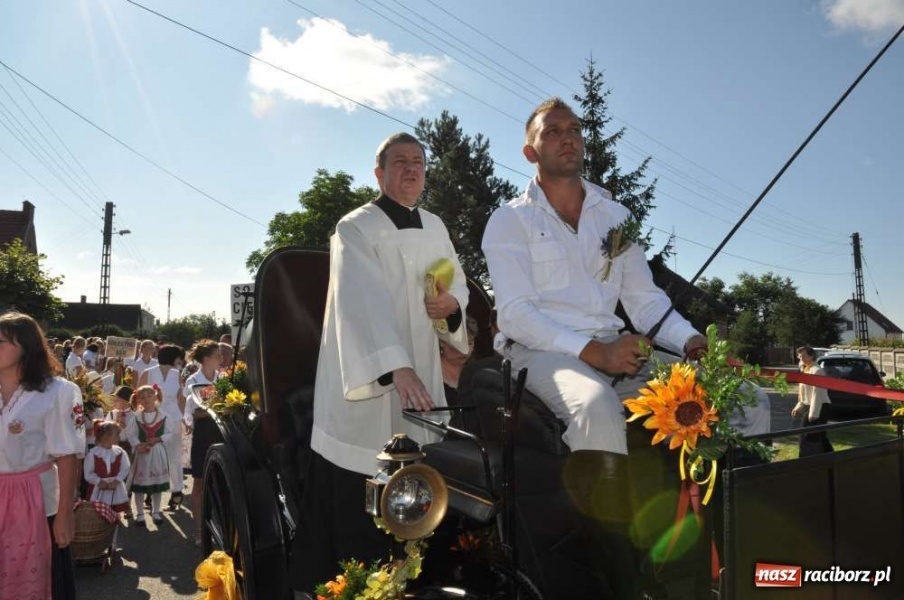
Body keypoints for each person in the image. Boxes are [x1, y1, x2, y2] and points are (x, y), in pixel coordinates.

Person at [481, 98, 771, 456]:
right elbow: (516, 315)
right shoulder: (509, 220)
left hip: (614, 349)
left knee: (746, 397)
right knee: (596, 407)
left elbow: (645, 301)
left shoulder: (617, 217)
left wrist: (693, 342)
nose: (568, 138)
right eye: (552, 132)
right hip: (538, 352)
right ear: (530, 153)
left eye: (574, 130)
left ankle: (724, 491)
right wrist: (595, 352)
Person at [290, 132, 470, 595]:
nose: (411, 169)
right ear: (379, 173)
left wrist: (451, 306)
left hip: (422, 376)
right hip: (368, 385)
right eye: (400, 161)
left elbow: (457, 286)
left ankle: (419, 582)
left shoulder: (436, 227)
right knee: (362, 495)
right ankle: (354, 587)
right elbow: (360, 302)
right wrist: (395, 365)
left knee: (421, 482)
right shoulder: (356, 226)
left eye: (418, 162)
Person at [0, 312, 84, 600]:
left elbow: (67, 456)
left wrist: (65, 514)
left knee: (44, 580)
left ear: (26, 346)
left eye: (1, 342)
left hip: (37, 503)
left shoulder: (57, 392)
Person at [182, 339, 222, 547]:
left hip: (220, 433)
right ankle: (198, 530)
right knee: (199, 482)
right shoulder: (193, 380)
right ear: (206, 359)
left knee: (219, 481)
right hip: (203, 435)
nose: (221, 359)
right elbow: (194, 413)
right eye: (217, 356)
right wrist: (215, 408)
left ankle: (218, 525)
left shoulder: (222, 378)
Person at [139, 344, 187, 510]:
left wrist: (185, 419)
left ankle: (172, 492)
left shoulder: (175, 373)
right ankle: (162, 492)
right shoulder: (150, 372)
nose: (180, 361)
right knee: (161, 457)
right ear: (173, 358)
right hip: (157, 418)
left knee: (168, 457)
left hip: (167, 418)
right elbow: (138, 396)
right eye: (179, 357)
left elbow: (180, 398)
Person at [125, 385, 172, 526]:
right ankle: (140, 513)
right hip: (142, 454)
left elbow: (169, 433)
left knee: (157, 485)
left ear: (155, 396)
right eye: (143, 397)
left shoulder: (164, 415)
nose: (146, 399)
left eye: (149, 396)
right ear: (138, 400)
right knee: (139, 486)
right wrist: (138, 445)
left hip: (157, 453)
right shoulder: (136, 417)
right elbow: (130, 434)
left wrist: (158, 439)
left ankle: (156, 511)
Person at [792, 345, 833, 456]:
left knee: (806, 436)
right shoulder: (806, 369)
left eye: (803, 356)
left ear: (811, 356)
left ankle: (805, 459)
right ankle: (832, 458)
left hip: (819, 407)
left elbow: (817, 393)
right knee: (819, 436)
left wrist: (813, 414)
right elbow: (804, 392)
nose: (801, 359)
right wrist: (799, 406)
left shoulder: (817, 371)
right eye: (799, 357)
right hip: (811, 406)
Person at [83, 420, 131, 512]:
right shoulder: (93, 454)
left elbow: (125, 467)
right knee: (98, 513)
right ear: (106, 437)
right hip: (98, 489)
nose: (119, 437)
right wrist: (99, 481)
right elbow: (88, 473)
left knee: (115, 511)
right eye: (116, 435)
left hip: (115, 488)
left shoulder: (120, 452)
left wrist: (117, 480)